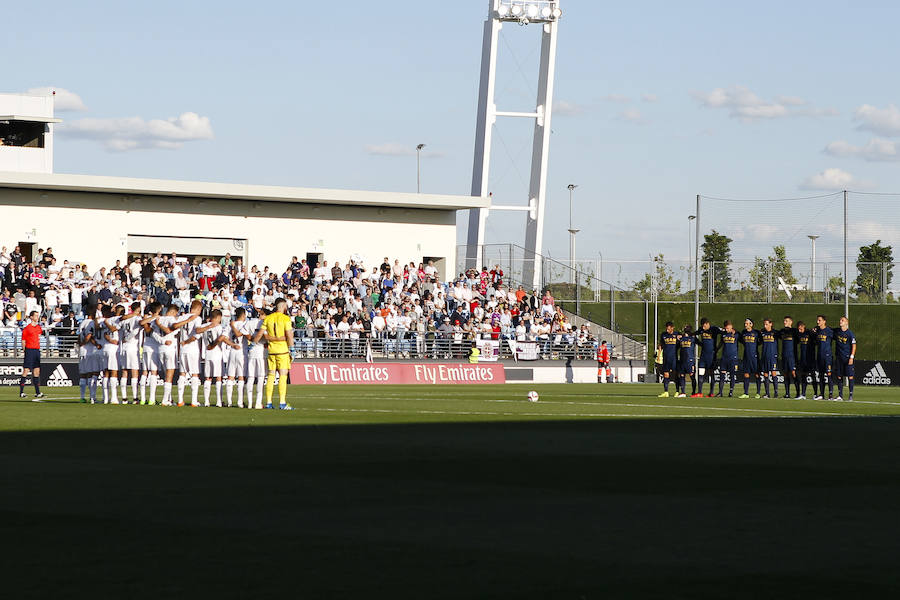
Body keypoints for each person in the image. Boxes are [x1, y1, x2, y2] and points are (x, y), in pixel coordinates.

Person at [256, 297, 294, 410]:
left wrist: (253, 343)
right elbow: (289, 335)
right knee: (283, 375)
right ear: (283, 306)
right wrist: (292, 349)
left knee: (271, 375)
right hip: (282, 351)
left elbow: (260, 333)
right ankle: (282, 403)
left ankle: (268, 402)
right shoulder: (286, 319)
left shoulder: (268, 318)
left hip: (271, 351)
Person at [20, 311, 44, 400]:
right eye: (36, 316)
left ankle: (38, 392)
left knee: (36, 371)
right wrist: (25, 351)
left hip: (36, 350)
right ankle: (21, 392)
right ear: (31, 317)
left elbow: (39, 336)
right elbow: (23, 341)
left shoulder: (38, 327)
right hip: (29, 350)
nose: (37, 317)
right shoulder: (27, 328)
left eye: (38, 316)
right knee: (26, 370)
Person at [694, 318, 720, 396]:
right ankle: (699, 392)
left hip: (711, 356)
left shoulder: (714, 329)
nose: (703, 327)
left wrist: (717, 348)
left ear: (707, 324)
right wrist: (700, 343)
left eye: (704, 326)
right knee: (700, 373)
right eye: (702, 326)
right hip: (703, 356)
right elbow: (694, 334)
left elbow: (724, 332)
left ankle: (711, 392)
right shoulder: (701, 330)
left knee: (711, 374)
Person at [833, 316, 856, 401]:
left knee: (850, 376)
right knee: (839, 376)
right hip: (839, 358)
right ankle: (840, 395)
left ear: (846, 323)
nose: (840, 321)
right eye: (840, 320)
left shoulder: (850, 333)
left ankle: (850, 395)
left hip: (847, 358)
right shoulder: (837, 332)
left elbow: (854, 345)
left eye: (842, 320)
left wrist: (851, 357)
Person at [715, 321, 740, 397]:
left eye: (728, 328)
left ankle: (731, 392)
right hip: (724, 357)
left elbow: (741, 337)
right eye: (726, 328)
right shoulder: (723, 334)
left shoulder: (736, 334)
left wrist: (735, 331)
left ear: (731, 326)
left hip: (733, 358)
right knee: (722, 375)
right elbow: (721, 343)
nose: (727, 330)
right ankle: (720, 392)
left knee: (732, 375)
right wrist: (716, 350)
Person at [813, 315, 834, 400]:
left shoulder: (829, 331)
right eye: (817, 320)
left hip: (827, 356)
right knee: (821, 375)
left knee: (829, 374)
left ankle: (830, 394)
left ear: (824, 321)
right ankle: (821, 394)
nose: (817, 322)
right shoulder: (817, 331)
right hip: (819, 355)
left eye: (819, 320)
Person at [738, 318, 761, 399]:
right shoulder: (743, 333)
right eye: (745, 323)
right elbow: (741, 340)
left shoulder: (756, 333)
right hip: (746, 356)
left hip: (754, 356)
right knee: (746, 374)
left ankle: (758, 393)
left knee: (757, 374)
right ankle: (746, 393)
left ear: (751, 324)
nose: (746, 325)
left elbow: (760, 341)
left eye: (747, 323)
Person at [795, 321, 816, 400]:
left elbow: (816, 340)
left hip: (811, 358)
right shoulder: (799, 334)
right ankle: (803, 394)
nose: (799, 330)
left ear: (803, 326)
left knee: (813, 376)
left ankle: (815, 394)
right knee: (803, 376)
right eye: (798, 328)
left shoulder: (809, 333)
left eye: (800, 328)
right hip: (803, 358)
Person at [658, 322, 679, 397]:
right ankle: (666, 392)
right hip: (666, 357)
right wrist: (659, 355)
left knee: (675, 374)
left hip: (674, 358)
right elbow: (660, 345)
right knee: (666, 374)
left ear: (672, 328)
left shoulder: (677, 334)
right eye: (666, 328)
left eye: (669, 329)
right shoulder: (663, 335)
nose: (667, 330)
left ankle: (677, 391)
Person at [759, 319, 779, 399]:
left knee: (773, 373)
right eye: (764, 324)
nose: (765, 326)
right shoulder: (762, 333)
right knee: (765, 374)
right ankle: (767, 393)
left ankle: (776, 392)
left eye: (766, 324)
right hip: (764, 356)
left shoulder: (775, 333)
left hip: (772, 356)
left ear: (771, 324)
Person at [778, 316, 798, 399]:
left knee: (793, 373)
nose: (784, 322)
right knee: (785, 374)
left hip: (792, 356)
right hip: (784, 355)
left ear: (791, 322)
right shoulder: (782, 331)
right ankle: (787, 393)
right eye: (784, 321)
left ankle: (798, 393)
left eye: (786, 321)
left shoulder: (794, 331)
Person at [678, 325, 698, 398]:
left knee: (692, 376)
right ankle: (683, 392)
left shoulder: (693, 338)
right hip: (682, 360)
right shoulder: (681, 338)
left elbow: (700, 343)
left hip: (690, 360)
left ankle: (693, 392)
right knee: (682, 375)